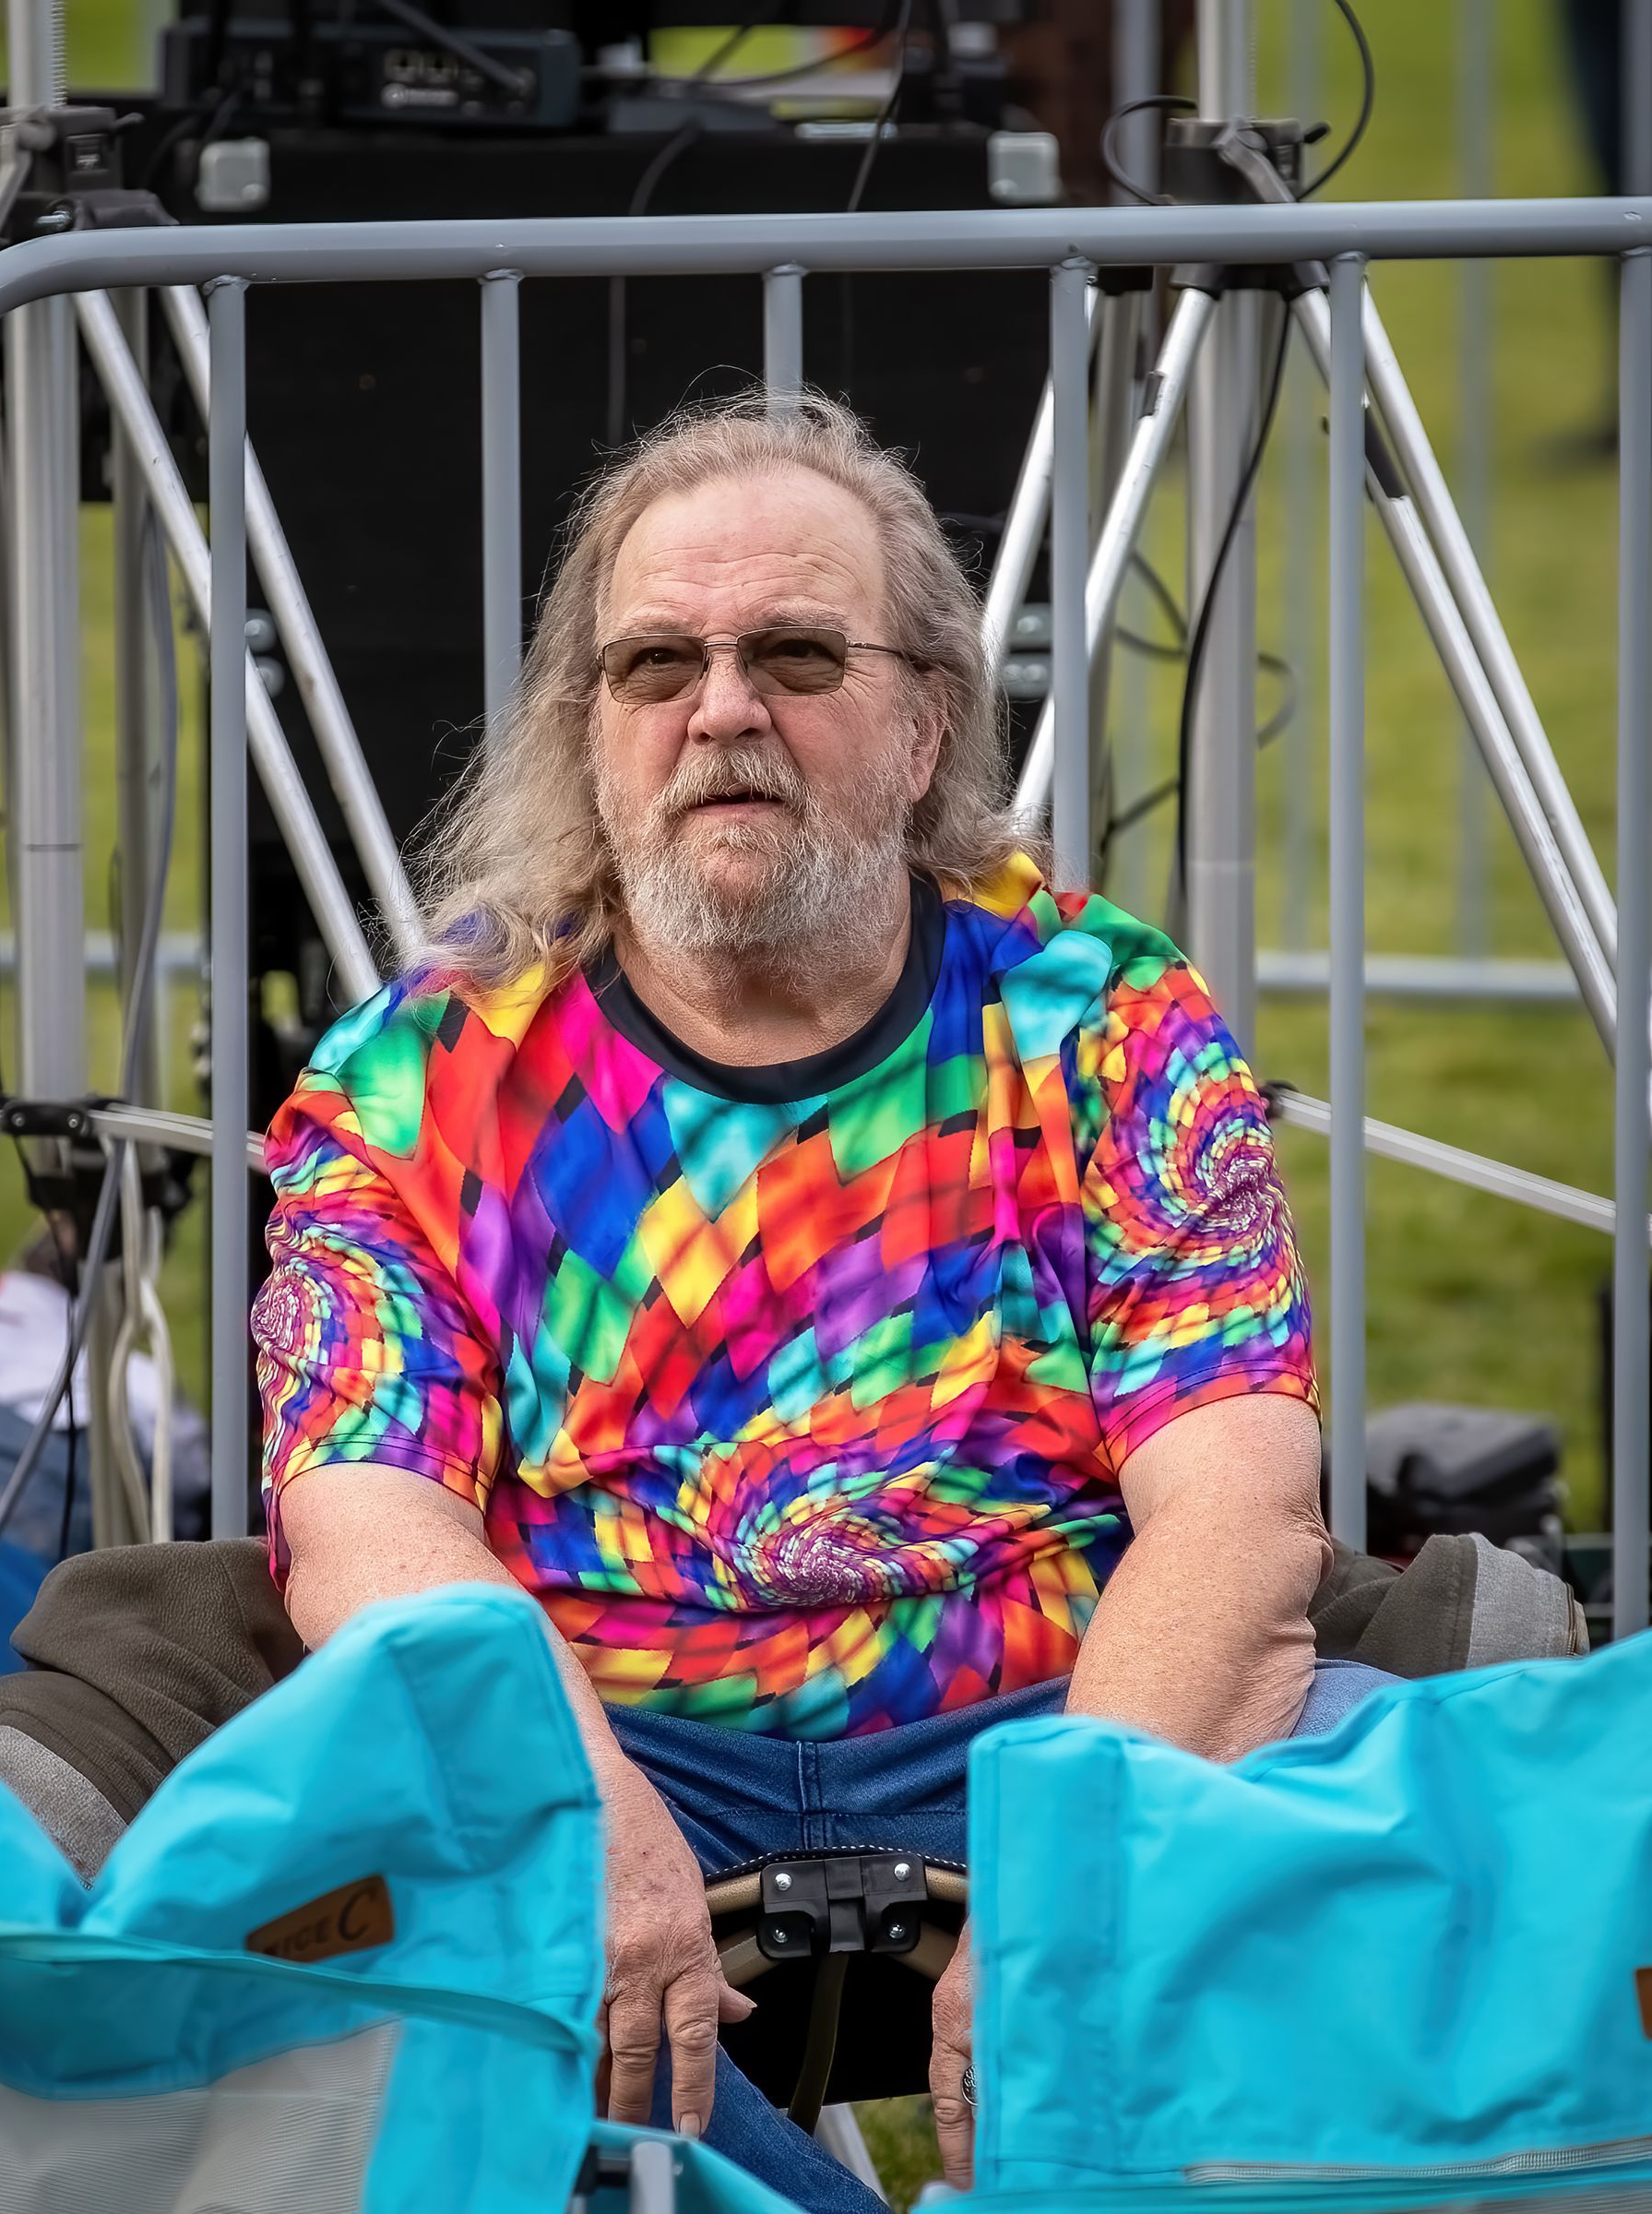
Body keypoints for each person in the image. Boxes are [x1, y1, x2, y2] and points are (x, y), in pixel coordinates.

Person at [251, 393, 1380, 2212]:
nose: (720, 711)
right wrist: (574, 1802)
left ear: (925, 715)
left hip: (1051, 1723)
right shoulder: (424, 1072)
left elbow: (1239, 1511)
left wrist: (1083, 1856)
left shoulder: (1106, 1020)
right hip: (613, 1733)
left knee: (1374, 1942)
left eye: (793, 652)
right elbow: (366, 1513)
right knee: (372, 1994)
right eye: (653, 665)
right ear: (589, 732)